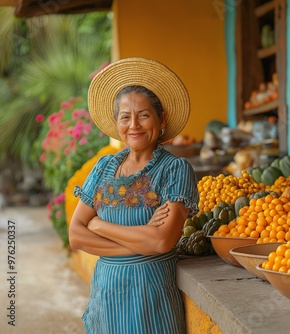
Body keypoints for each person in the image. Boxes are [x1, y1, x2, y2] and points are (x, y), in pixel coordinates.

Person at [69, 57, 199, 334]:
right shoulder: (104, 167)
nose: (134, 125)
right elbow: (76, 235)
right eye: (125, 117)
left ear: (161, 119)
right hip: (107, 291)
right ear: (117, 123)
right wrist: (142, 243)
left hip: (149, 292)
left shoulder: (175, 169)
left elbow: (163, 240)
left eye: (144, 115)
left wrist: (100, 226)